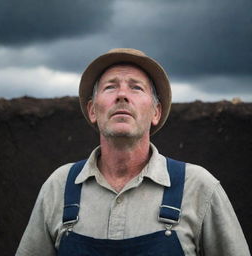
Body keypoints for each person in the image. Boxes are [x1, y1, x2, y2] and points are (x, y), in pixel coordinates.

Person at [16, 48, 250, 256]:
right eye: (110, 87)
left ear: (156, 112)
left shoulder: (199, 188)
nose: (122, 95)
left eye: (136, 87)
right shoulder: (59, 188)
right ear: (92, 111)